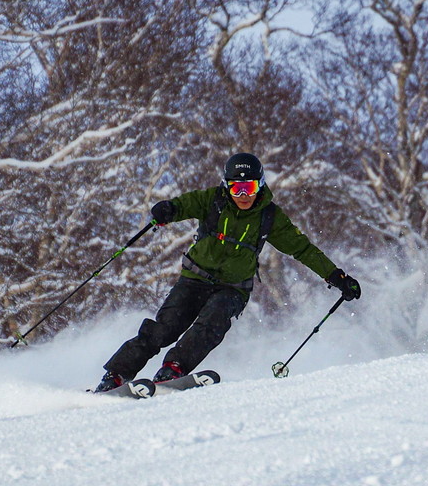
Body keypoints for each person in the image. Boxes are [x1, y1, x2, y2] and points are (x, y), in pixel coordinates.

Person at [94, 152, 361, 392]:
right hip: (195, 279)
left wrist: (336, 276)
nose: (243, 195)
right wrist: (168, 210)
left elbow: (302, 249)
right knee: (165, 329)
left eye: (249, 187)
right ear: (227, 186)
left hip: (233, 288)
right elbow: (182, 205)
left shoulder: (269, 216)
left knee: (210, 326)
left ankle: (173, 369)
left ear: (260, 185)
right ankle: (116, 374)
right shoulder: (211, 200)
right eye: (236, 188)